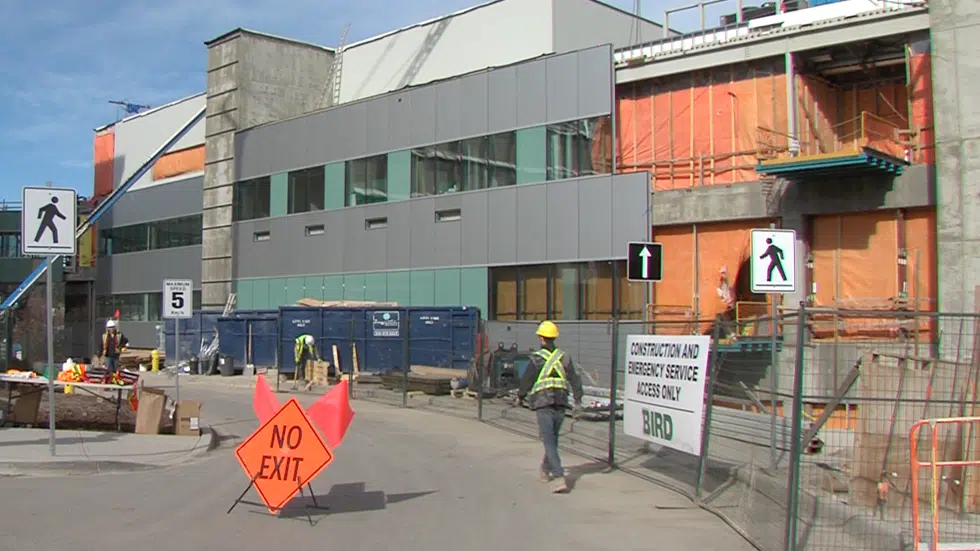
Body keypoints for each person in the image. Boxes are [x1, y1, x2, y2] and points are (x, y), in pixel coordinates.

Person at [517, 320, 584, 493]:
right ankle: (545, 469)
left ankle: (559, 476)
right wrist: (578, 400)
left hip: (543, 403)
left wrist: (520, 396)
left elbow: (527, 380)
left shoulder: (536, 359)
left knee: (549, 441)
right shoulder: (564, 357)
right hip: (561, 403)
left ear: (541, 338)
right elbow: (575, 380)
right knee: (552, 439)